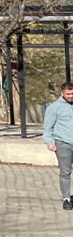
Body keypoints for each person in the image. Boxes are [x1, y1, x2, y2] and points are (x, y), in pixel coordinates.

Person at [44, 80, 73, 211]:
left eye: (72, 94)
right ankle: (66, 198)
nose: (71, 96)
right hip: (63, 144)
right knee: (65, 172)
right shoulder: (54, 107)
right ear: (62, 93)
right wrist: (49, 142)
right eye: (68, 94)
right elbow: (47, 127)